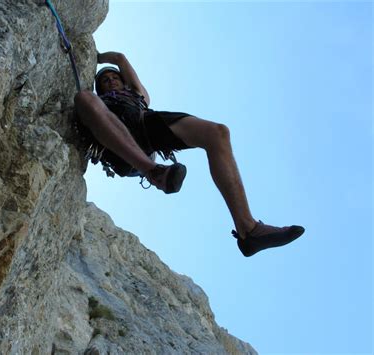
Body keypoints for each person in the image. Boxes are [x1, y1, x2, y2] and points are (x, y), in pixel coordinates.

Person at [74, 51, 305, 257]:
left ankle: (248, 229)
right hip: (118, 147)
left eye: (114, 77)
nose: (111, 81)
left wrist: (92, 53)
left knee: (218, 133)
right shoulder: (99, 101)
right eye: (104, 80)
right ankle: (153, 172)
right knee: (84, 99)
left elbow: (120, 59)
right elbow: (92, 102)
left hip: (146, 126)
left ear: (123, 81)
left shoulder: (138, 94)